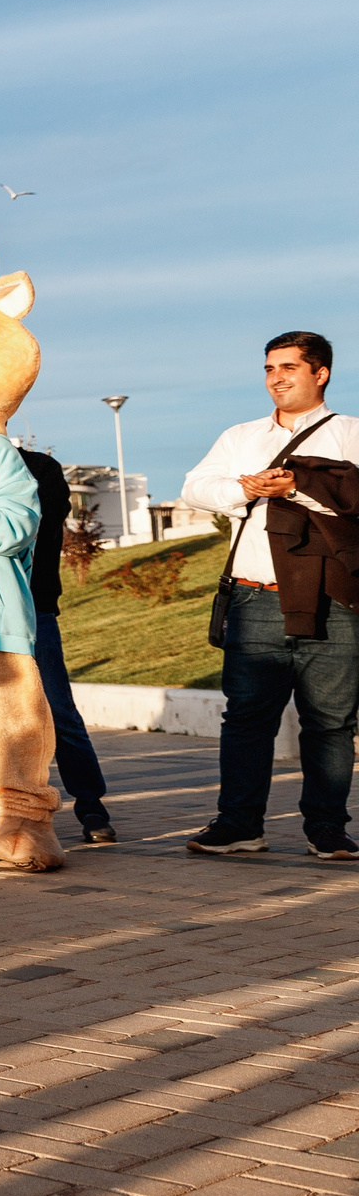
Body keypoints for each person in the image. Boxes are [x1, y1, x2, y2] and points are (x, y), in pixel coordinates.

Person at [179, 332, 359, 857]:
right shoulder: (241, 436)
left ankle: (326, 829)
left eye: (288, 367)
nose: (276, 378)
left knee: (330, 720)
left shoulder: (350, 434)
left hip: (336, 600)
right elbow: (195, 487)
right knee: (246, 717)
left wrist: (298, 488)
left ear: (320, 373)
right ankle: (239, 824)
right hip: (257, 598)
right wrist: (246, 488)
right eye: (268, 368)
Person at [21, 447, 116, 843]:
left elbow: (43, 520)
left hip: (32, 607)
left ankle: (92, 807)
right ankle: (11, 812)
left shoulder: (40, 466)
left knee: (59, 710)